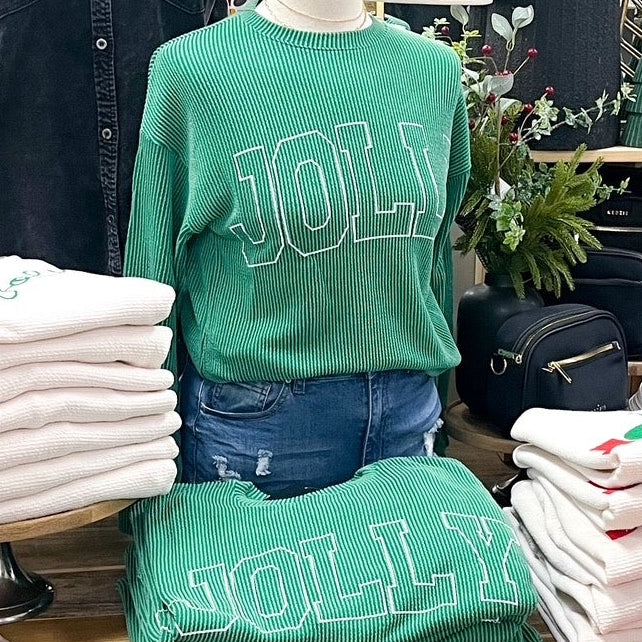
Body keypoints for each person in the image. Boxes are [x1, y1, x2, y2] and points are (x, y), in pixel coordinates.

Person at [124, 0, 471, 498]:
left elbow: (433, 265)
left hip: (407, 417)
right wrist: (142, 465)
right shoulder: (192, 69)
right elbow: (153, 267)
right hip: (257, 431)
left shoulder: (433, 71)